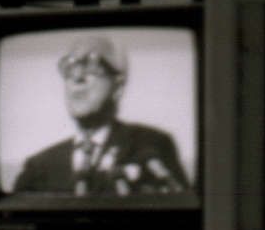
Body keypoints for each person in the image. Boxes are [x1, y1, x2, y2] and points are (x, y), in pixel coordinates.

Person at [12, 35, 190, 197]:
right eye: (69, 67)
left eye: (92, 65)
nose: (77, 77)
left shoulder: (151, 146)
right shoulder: (38, 166)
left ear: (118, 87)